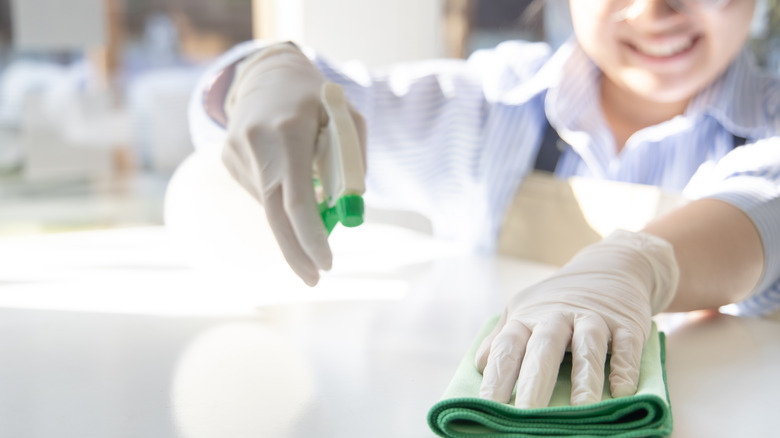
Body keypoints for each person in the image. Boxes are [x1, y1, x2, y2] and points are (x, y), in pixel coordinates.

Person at [187, 0, 780, 409]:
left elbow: (761, 202)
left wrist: (641, 263)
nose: (654, 11)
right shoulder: (491, 108)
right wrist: (260, 76)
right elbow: (313, 92)